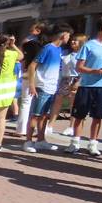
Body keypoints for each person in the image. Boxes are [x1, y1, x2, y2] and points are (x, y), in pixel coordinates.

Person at [66, 16, 102, 156]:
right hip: (86, 86)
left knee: (98, 116)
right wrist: (96, 71)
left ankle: (93, 144)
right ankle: (74, 143)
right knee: (79, 115)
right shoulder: (89, 45)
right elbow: (79, 66)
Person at [23, 23, 72, 153]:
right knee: (35, 115)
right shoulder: (48, 48)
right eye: (68, 35)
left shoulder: (58, 50)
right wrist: (32, 85)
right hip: (42, 86)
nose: (69, 38)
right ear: (63, 35)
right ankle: (28, 141)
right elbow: (33, 65)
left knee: (44, 116)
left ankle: (40, 140)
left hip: (52, 87)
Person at [50, 34, 85, 137]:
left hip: (76, 79)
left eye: (76, 41)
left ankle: (71, 127)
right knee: (58, 101)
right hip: (65, 78)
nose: (73, 42)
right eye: (72, 40)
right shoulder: (65, 53)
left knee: (73, 104)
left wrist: (78, 81)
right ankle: (50, 125)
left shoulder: (82, 55)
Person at [17, 22, 46, 135]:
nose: (30, 33)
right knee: (38, 103)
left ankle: (22, 129)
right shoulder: (46, 45)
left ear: (38, 31)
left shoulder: (29, 43)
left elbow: (22, 57)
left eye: (32, 30)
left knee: (26, 101)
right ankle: (35, 129)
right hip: (42, 74)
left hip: (29, 72)